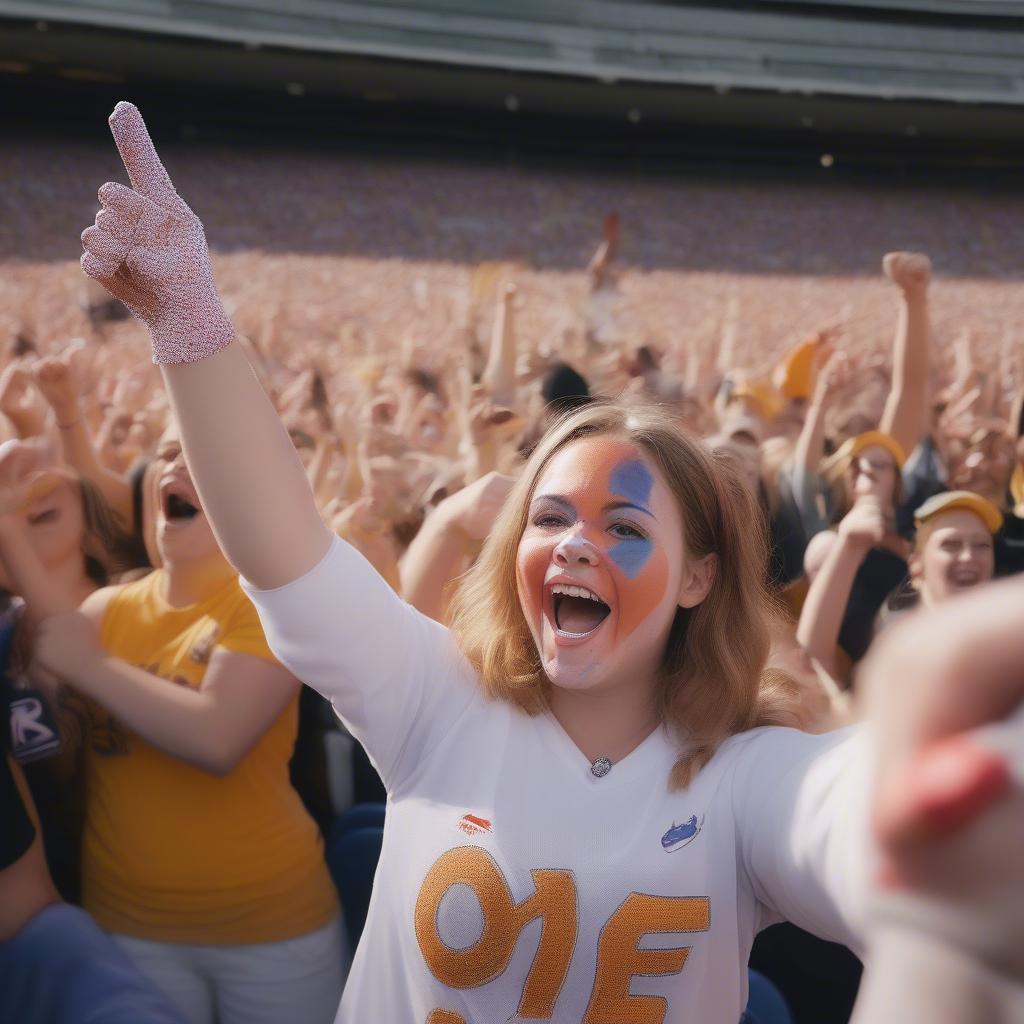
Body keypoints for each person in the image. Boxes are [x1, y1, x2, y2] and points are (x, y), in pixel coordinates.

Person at [78, 102, 884, 1022]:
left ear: (698, 576)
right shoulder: (438, 700)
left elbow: (861, 825)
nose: (576, 542)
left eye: (624, 527)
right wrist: (191, 326)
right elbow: (286, 555)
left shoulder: (744, 774)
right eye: (549, 518)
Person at [32, 425, 345, 1024]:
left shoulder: (269, 606)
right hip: (127, 926)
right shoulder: (105, 610)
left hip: (272, 931)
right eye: (168, 453)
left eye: (202, 452)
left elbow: (217, 738)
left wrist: (90, 667)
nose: (177, 465)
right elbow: (53, 756)